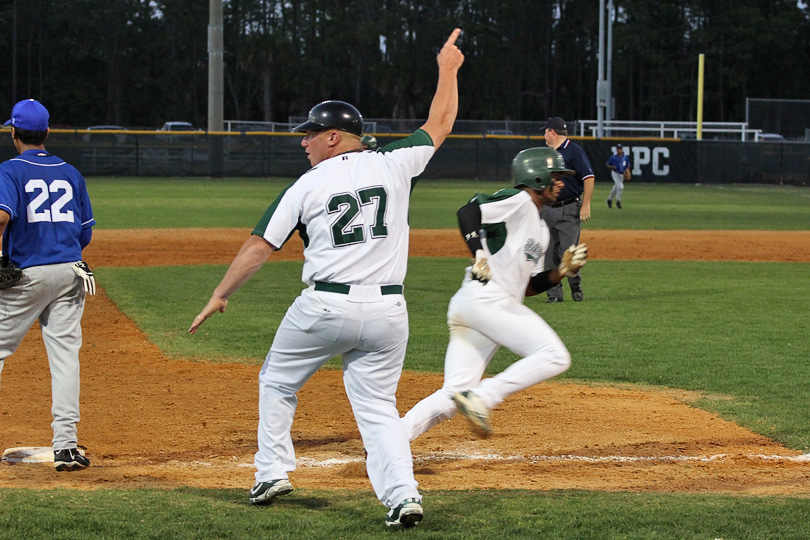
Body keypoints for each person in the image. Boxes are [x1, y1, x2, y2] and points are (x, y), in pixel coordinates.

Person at [188, 28, 464, 528]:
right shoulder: (396, 164)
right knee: (379, 410)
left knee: (276, 380)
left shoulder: (306, 185)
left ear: (334, 136)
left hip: (324, 308)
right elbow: (441, 120)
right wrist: (448, 69)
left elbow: (258, 248)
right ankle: (403, 496)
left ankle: (271, 472)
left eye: (311, 133)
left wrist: (219, 295)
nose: (304, 141)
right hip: (388, 313)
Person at [402, 147, 587, 440]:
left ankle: (390, 442)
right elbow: (468, 211)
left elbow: (529, 286)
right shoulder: (519, 200)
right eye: (556, 176)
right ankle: (486, 396)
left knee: (453, 395)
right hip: (487, 300)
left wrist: (561, 271)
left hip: (479, 307)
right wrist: (478, 253)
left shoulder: (540, 228)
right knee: (555, 356)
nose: (561, 182)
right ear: (537, 177)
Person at [0, 98, 97, 471]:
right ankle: (67, 447)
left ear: (14, 133)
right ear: (47, 132)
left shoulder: (10, 170)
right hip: (72, 271)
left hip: (27, 274)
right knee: (65, 358)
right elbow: (85, 232)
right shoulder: (70, 172)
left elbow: (2, 214)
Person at [540, 116, 594, 303]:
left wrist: (586, 204)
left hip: (569, 207)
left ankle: (575, 284)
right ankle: (554, 295)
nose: (544, 134)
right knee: (549, 255)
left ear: (552, 132)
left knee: (567, 253)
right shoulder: (546, 154)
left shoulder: (574, 151)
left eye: (545, 131)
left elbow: (588, 177)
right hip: (547, 209)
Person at [606, 143, 631, 209]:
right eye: (618, 149)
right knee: (620, 186)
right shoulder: (613, 157)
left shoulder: (625, 158)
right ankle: (618, 201)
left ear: (622, 149)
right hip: (615, 173)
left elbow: (627, 166)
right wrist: (611, 166)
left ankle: (609, 199)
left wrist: (627, 171)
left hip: (621, 174)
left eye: (620, 149)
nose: (619, 150)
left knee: (616, 186)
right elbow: (607, 164)